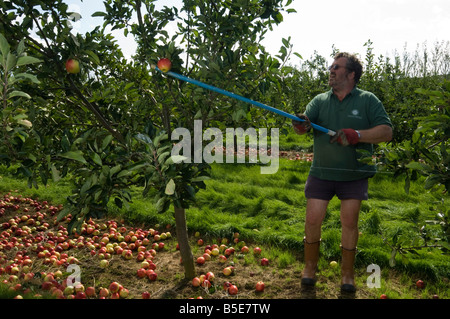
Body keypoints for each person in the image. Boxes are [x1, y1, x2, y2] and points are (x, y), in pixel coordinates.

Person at [292, 52, 393, 293]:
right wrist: (300, 124)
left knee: (349, 223)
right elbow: (304, 126)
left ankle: (347, 273)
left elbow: (386, 132)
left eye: (337, 67)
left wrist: (357, 135)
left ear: (351, 74)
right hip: (321, 172)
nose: (331, 70)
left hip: (354, 174)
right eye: (331, 66)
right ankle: (309, 268)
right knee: (312, 220)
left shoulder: (368, 100)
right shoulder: (319, 101)